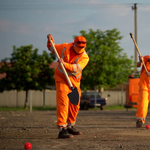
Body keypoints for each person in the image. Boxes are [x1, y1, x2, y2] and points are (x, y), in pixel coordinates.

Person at [47, 34, 89, 138]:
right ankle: (62, 128)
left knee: (75, 104)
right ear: (74, 44)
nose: (80, 49)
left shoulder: (85, 57)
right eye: (78, 47)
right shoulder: (65, 47)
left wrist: (64, 64)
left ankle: (70, 125)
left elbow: (76, 68)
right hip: (61, 78)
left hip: (74, 81)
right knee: (63, 101)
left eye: (82, 48)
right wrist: (50, 40)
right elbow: (52, 48)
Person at [136, 55, 150, 128]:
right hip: (144, 85)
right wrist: (141, 61)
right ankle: (140, 120)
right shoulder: (147, 57)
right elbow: (138, 65)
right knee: (143, 102)